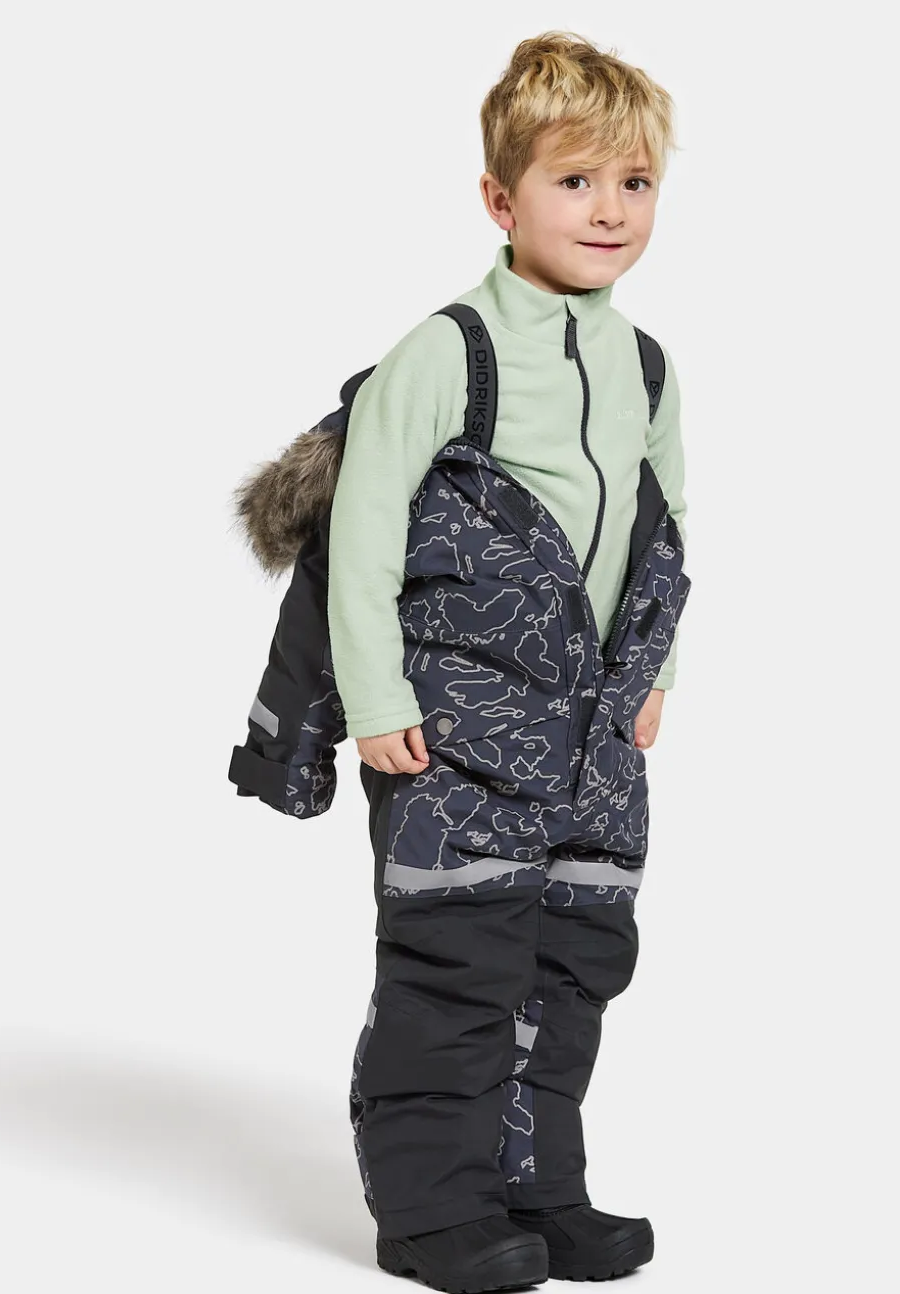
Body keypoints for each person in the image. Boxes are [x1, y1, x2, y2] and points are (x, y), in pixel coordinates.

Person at [327, 30, 689, 1291]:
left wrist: (654, 677)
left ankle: (537, 1186)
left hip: (589, 733)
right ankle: (431, 1208)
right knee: (458, 955)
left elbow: (663, 527)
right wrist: (374, 694)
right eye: (574, 181)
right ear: (501, 198)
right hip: (460, 723)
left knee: (572, 956)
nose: (608, 210)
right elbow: (363, 524)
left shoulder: (645, 365)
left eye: (633, 182)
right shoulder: (450, 350)